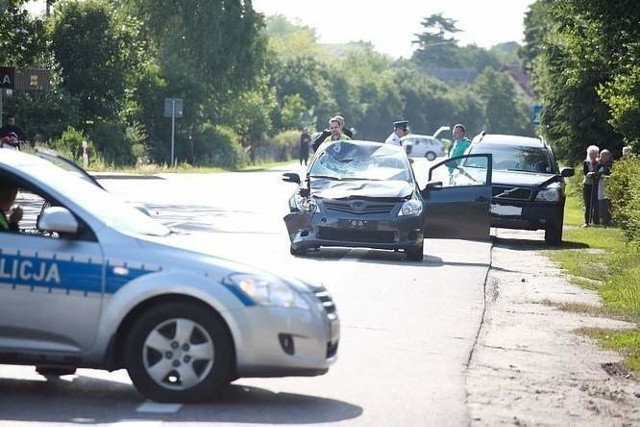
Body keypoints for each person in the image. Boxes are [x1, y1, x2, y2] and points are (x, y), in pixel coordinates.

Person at [582, 144, 600, 226]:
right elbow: (585, 173)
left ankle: (595, 222)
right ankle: (587, 222)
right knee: (588, 203)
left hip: (596, 185)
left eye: (595, 153)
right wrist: (590, 174)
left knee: (595, 203)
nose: (593, 155)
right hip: (587, 184)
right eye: (591, 153)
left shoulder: (598, 163)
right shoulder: (586, 162)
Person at [595, 149, 613, 226]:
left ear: (609, 156)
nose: (603, 157)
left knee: (608, 203)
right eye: (602, 156)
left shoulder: (612, 164)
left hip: (610, 186)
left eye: (605, 155)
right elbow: (596, 173)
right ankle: (602, 220)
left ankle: (608, 220)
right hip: (601, 185)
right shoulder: (599, 165)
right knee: (601, 202)